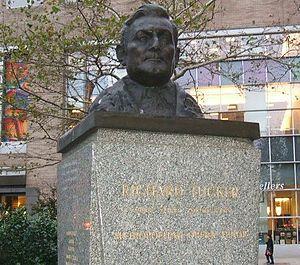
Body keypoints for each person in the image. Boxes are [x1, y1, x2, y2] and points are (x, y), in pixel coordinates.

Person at [89, 4, 203, 118]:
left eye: (164, 39)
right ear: (122, 53)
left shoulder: (189, 107)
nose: (155, 45)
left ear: (176, 56)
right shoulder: (107, 104)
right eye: (143, 38)